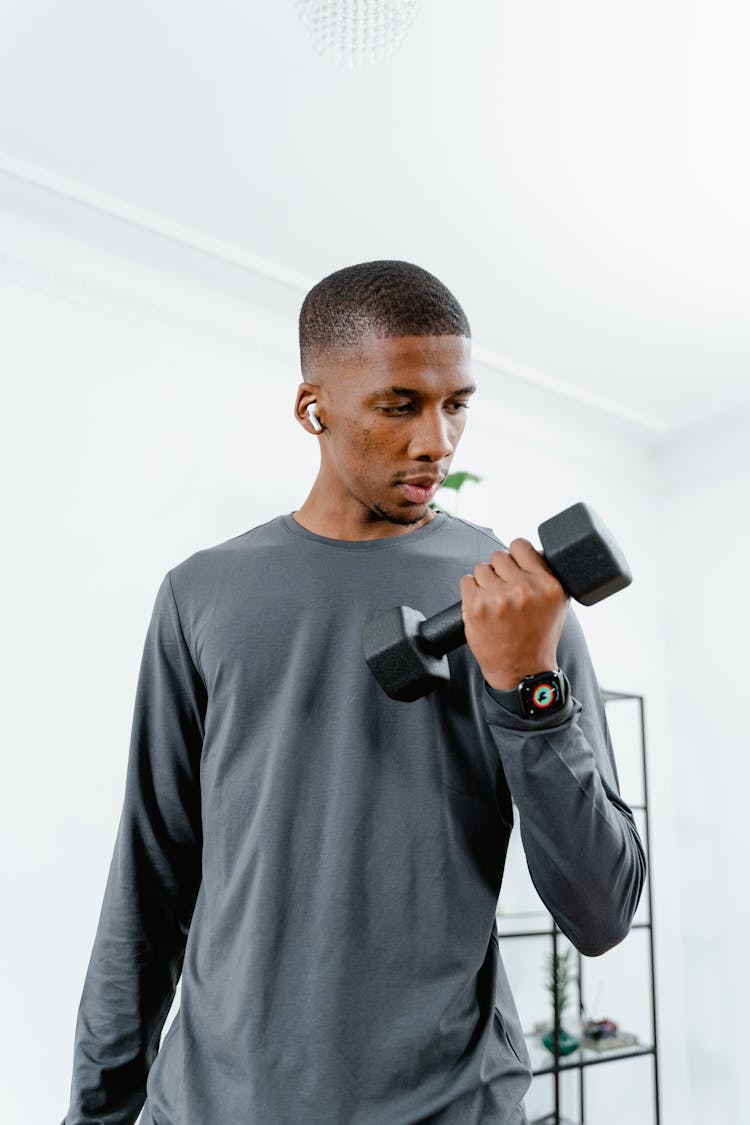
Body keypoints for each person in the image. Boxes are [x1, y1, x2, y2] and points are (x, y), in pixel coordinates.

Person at [62, 260, 645, 1125]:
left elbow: (601, 910)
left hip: (452, 1105)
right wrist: (98, 1111)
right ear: (315, 409)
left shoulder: (516, 603)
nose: (438, 441)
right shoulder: (202, 593)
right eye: (401, 404)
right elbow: (150, 880)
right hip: (218, 1106)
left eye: (458, 405)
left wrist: (527, 687)